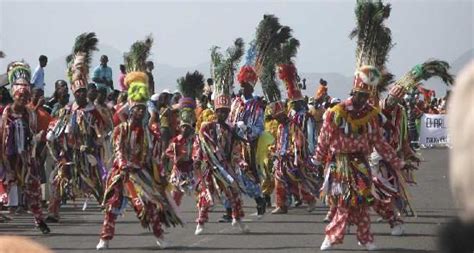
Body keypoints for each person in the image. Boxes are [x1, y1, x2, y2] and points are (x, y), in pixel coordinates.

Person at [316, 66, 413, 251]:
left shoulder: (371, 115)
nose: (362, 100)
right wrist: (317, 158)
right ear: (353, 91)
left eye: (365, 96)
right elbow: (324, 137)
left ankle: (360, 236)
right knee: (345, 201)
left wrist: (397, 162)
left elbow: (380, 143)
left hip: (361, 164)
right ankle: (345, 236)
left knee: (362, 200)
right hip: (340, 164)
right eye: (359, 95)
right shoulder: (336, 112)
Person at [96, 70, 181, 250]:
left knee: (148, 206)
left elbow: (153, 156)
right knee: (113, 206)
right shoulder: (121, 129)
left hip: (140, 174)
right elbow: (118, 149)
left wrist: (160, 174)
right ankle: (105, 239)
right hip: (122, 173)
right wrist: (124, 164)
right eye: (137, 109)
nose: (141, 112)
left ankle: (160, 238)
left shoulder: (148, 133)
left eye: (143, 109)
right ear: (131, 110)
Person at [46, 36, 105, 222]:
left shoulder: (93, 112)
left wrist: (93, 144)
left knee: (96, 181)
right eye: (77, 92)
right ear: (73, 92)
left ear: (86, 92)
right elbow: (55, 131)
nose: (80, 94)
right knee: (58, 181)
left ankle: (109, 208)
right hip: (70, 155)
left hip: (88, 154)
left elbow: (101, 134)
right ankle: (53, 212)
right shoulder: (67, 110)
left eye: (82, 91)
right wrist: (54, 143)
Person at [193, 78, 249, 235]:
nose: (223, 114)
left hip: (226, 168)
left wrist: (241, 161)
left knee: (234, 194)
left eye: (226, 111)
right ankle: (201, 223)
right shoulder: (207, 128)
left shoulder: (231, 130)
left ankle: (237, 220)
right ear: (215, 111)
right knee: (206, 196)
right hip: (210, 167)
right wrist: (197, 158)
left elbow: (235, 150)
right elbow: (199, 143)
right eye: (220, 111)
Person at [1, 61, 50, 233]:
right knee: (5, 187)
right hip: (7, 157)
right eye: (20, 96)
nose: (22, 99)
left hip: (25, 157)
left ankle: (39, 220)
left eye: (25, 97)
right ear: (14, 95)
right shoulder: (6, 113)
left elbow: (33, 134)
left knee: (33, 188)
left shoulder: (29, 114)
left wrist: (36, 144)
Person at [271, 64, 320, 215]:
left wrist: (305, 152)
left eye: (296, 102)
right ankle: (282, 204)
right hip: (284, 154)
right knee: (279, 176)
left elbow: (307, 136)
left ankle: (309, 199)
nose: (294, 105)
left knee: (296, 177)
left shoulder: (305, 117)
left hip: (298, 153)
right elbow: (282, 135)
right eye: (292, 102)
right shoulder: (287, 120)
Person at [229, 65, 266, 218]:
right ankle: (231, 209)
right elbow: (230, 118)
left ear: (251, 88)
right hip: (232, 144)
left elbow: (260, 127)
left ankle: (259, 198)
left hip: (247, 145)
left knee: (245, 173)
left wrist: (247, 129)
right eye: (241, 85)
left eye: (245, 86)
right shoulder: (236, 102)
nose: (242, 88)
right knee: (230, 175)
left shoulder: (257, 106)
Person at [165, 71, 204, 206]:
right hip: (179, 168)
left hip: (192, 167)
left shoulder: (195, 139)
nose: (185, 130)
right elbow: (168, 152)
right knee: (176, 190)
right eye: (183, 128)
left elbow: (199, 151)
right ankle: (173, 208)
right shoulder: (177, 140)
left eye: (187, 128)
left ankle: (203, 206)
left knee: (200, 186)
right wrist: (176, 157)